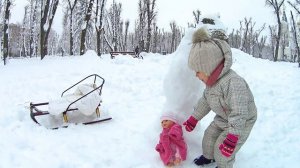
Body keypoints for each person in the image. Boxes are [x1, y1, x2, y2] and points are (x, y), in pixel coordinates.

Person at [183, 27, 257, 168]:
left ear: (209, 68)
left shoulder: (233, 83)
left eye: (198, 71)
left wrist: (232, 137)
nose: (196, 75)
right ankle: (208, 158)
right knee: (209, 136)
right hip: (224, 117)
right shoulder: (211, 84)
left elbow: (239, 112)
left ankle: (223, 165)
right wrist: (194, 118)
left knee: (223, 151)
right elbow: (205, 101)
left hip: (242, 121)